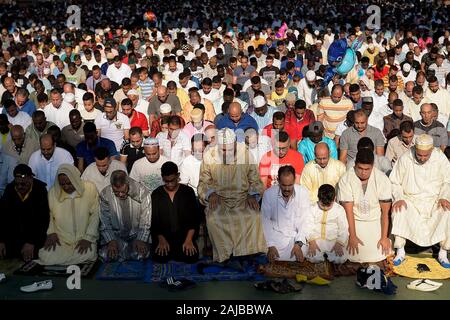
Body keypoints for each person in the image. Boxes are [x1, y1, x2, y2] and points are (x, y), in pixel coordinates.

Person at [198, 128, 266, 262]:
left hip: (243, 198)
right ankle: (225, 255)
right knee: (214, 218)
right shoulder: (209, 156)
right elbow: (203, 183)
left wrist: (252, 194)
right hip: (219, 199)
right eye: (223, 150)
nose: (227, 153)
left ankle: (247, 254)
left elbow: (255, 179)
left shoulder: (245, 154)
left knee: (254, 216)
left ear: (235, 144)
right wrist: (211, 194)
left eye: (229, 149)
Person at [389, 134, 450, 268]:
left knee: (447, 212)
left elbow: (447, 181)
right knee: (399, 210)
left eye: (425, 155)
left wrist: (444, 197)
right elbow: (394, 182)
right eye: (419, 155)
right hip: (411, 201)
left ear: (431, 151)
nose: (422, 158)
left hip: (434, 201)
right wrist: (399, 198)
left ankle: (443, 253)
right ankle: (400, 251)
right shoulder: (405, 158)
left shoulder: (440, 158)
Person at [37, 164, 99, 266]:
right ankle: (72, 260)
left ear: (75, 179)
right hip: (62, 239)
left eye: (69, 183)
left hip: (83, 238)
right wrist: (51, 232)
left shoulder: (90, 188)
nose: (66, 187)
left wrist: (88, 238)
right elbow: (49, 216)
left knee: (89, 253)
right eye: (62, 184)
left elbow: (95, 215)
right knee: (45, 255)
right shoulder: (53, 192)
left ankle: (64, 260)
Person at [337, 149, 392, 263]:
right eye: (360, 168)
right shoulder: (345, 179)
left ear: (373, 166)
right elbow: (348, 211)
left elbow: (385, 212)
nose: (363, 172)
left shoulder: (382, 179)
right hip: (353, 221)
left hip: (375, 222)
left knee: (381, 252)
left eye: (367, 169)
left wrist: (384, 237)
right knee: (346, 254)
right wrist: (352, 236)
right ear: (355, 164)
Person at [151, 161, 200, 263]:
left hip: (184, 236)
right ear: (162, 177)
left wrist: (189, 240)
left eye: (172, 180)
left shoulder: (188, 192)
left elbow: (194, 219)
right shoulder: (156, 194)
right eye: (166, 181)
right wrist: (161, 239)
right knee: (159, 258)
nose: (169, 184)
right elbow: (154, 221)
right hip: (164, 236)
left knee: (191, 257)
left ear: (178, 176)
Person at [99, 170, 152, 262]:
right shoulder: (105, 194)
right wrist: (111, 241)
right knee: (106, 255)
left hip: (136, 235)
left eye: (123, 191)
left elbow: (146, 220)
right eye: (116, 192)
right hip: (116, 236)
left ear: (127, 183)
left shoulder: (142, 192)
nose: (120, 194)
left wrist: (141, 239)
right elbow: (104, 221)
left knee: (142, 254)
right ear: (112, 186)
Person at [0, 164, 49, 261]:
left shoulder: (40, 189)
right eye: (17, 184)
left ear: (30, 179)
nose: (19, 187)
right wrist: (1, 240)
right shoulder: (10, 189)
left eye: (23, 184)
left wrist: (31, 242)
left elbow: (43, 220)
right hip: (14, 235)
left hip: (35, 235)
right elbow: (3, 217)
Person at [262, 165, 310, 262]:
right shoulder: (269, 194)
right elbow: (265, 221)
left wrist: (298, 244)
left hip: (296, 237)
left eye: (290, 185)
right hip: (276, 237)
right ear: (278, 181)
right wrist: (271, 245)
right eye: (284, 185)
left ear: (294, 180)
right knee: (265, 251)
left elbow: (306, 221)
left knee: (307, 252)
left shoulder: (303, 193)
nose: (287, 189)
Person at [303, 184, 348, 264]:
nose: (325, 208)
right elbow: (308, 225)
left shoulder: (339, 210)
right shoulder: (312, 208)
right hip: (316, 241)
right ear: (318, 198)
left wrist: (339, 243)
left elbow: (344, 228)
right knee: (313, 258)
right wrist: (312, 241)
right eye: (323, 205)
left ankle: (329, 258)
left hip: (334, 241)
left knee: (340, 259)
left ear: (334, 199)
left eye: (328, 205)